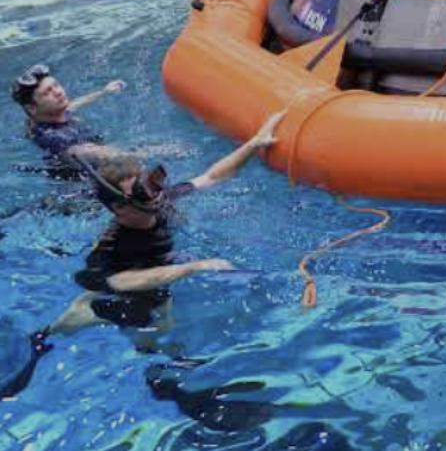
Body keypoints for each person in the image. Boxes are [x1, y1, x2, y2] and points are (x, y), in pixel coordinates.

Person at [0, 112, 286, 399]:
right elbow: (120, 282)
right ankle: (154, 375)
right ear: (119, 208)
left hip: (151, 273)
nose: (151, 193)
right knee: (149, 327)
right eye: (139, 191)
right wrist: (193, 267)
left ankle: (55, 333)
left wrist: (254, 143)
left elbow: (213, 175)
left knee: (158, 316)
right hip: (117, 290)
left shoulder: (154, 201)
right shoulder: (115, 243)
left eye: (147, 184)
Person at [11, 64, 125, 161]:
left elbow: (73, 105)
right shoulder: (54, 137)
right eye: (47, 92)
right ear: (32, 108)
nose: (58, 92)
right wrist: (140, 153)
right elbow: (93, 152)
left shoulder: (47, 114)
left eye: (56, 85)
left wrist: (104, 91)